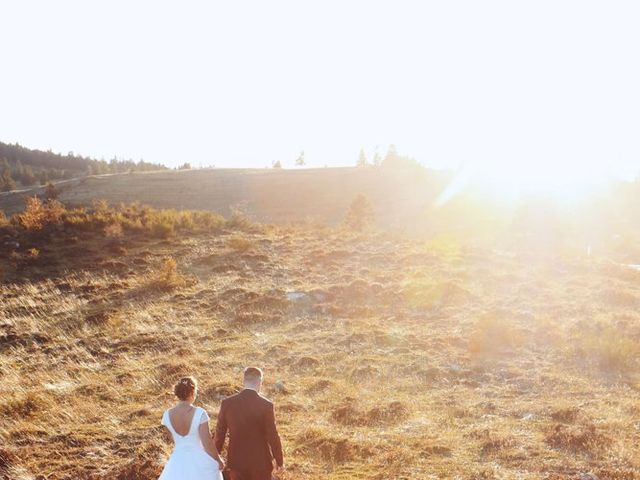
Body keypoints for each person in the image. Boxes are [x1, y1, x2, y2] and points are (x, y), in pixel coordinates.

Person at [214, 367, 284, 480]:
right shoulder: (266, 405)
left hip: (236, 462)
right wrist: (279, 460)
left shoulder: (227, 403)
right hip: (261, 463)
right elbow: (273, 435)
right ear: (259, 382)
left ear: (244, 381)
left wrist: (215, 457)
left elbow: (220, 434)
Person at [158, 377, 224, 480]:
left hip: (177, 462)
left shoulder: (166, 415)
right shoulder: (200, 413)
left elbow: (173, 440)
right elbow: (207, 442)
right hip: (199, 461)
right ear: (192, 392)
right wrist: (218, 459)